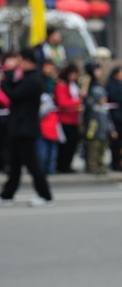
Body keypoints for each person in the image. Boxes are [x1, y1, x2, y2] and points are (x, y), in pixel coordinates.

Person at [0, 48, 54, 207]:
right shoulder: (25, 76)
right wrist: (7, 76)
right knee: (14, 164)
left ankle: (45, 195)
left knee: (33, 165)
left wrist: (2, 83)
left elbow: (14, 94)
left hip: (26, 128)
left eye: (21, 61)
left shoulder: (34, 79)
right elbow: (11, 81)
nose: (18, 64)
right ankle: (7, 194)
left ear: (28, 61)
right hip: (17, 127)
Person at [53, 63, 83, 173]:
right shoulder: (61, 85)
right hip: (65, 119)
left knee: (73, 144)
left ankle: (67, 165)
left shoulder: (74, 85)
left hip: (74, 118)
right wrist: (77, 103)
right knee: (65, 145)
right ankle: (62, 165)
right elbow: (63, 102)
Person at [83, 84, 117, 174]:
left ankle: (100, 166)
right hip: (94, 134)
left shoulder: (105, 109)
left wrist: (112, 130)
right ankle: (92, 168)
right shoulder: (93, 108)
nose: (105, 100)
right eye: (103, 98)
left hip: (104, 133)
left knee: (102, 151)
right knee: (93, 152)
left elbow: (109, 121)